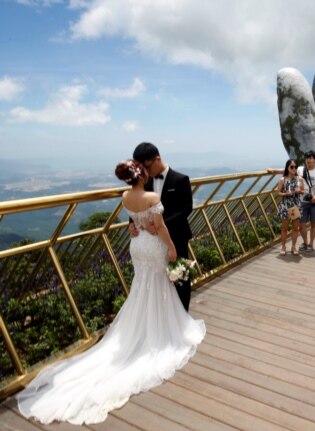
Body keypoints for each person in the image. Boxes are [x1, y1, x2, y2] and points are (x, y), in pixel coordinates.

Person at [17, 160, 206, 425]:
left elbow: (135, 218)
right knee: (157, 285)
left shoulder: (125, 195)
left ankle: (142, 327)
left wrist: (136, 225)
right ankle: (157, 329)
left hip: (136, 245)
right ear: (142, 175)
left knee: (142, 287)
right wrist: (172, 248)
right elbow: (160, 227)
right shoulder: (151, 195)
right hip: (152, 245)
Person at [131, 142, 194, 311]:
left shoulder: (180, 179)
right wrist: (132, 223)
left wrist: (162, 225)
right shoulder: (144, 181)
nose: (143, 171)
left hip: (176, 237)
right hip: (152, 242)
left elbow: (186, 208)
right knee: (157, 283)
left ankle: (183, 317)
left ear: (157, 159)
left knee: (179, 278)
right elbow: (137, 204)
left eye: (146, 166)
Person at [276, 159, 304, 256]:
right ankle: (283, 247)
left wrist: (299, 191)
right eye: (292, 167)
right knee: (285, 228)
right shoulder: (282, 179)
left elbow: (303, 191)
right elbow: (278, 192)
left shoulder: (300, 179)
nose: (294, 169)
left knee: (295, 228)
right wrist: (285, 193)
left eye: (295, 167)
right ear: (287, 168)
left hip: (295, 206)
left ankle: (293, 247)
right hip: (286, 205)